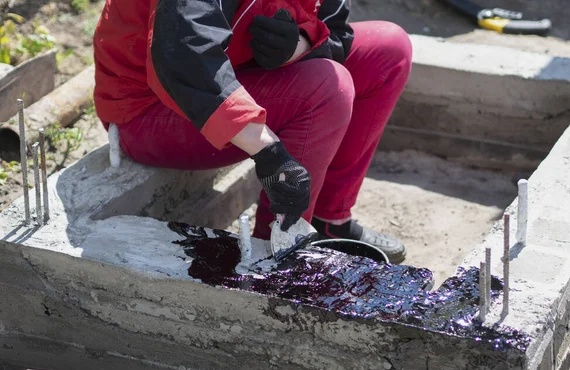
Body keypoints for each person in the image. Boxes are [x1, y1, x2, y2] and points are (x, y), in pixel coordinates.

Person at [93, 0, 413, 263]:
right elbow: (182, 56)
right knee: (327, 86)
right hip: (149, 108)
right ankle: (273, 254)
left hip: (237, 71)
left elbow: (337, 31)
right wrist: (266, 150)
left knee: (388, 49)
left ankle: (330, 222)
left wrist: (297, 46)